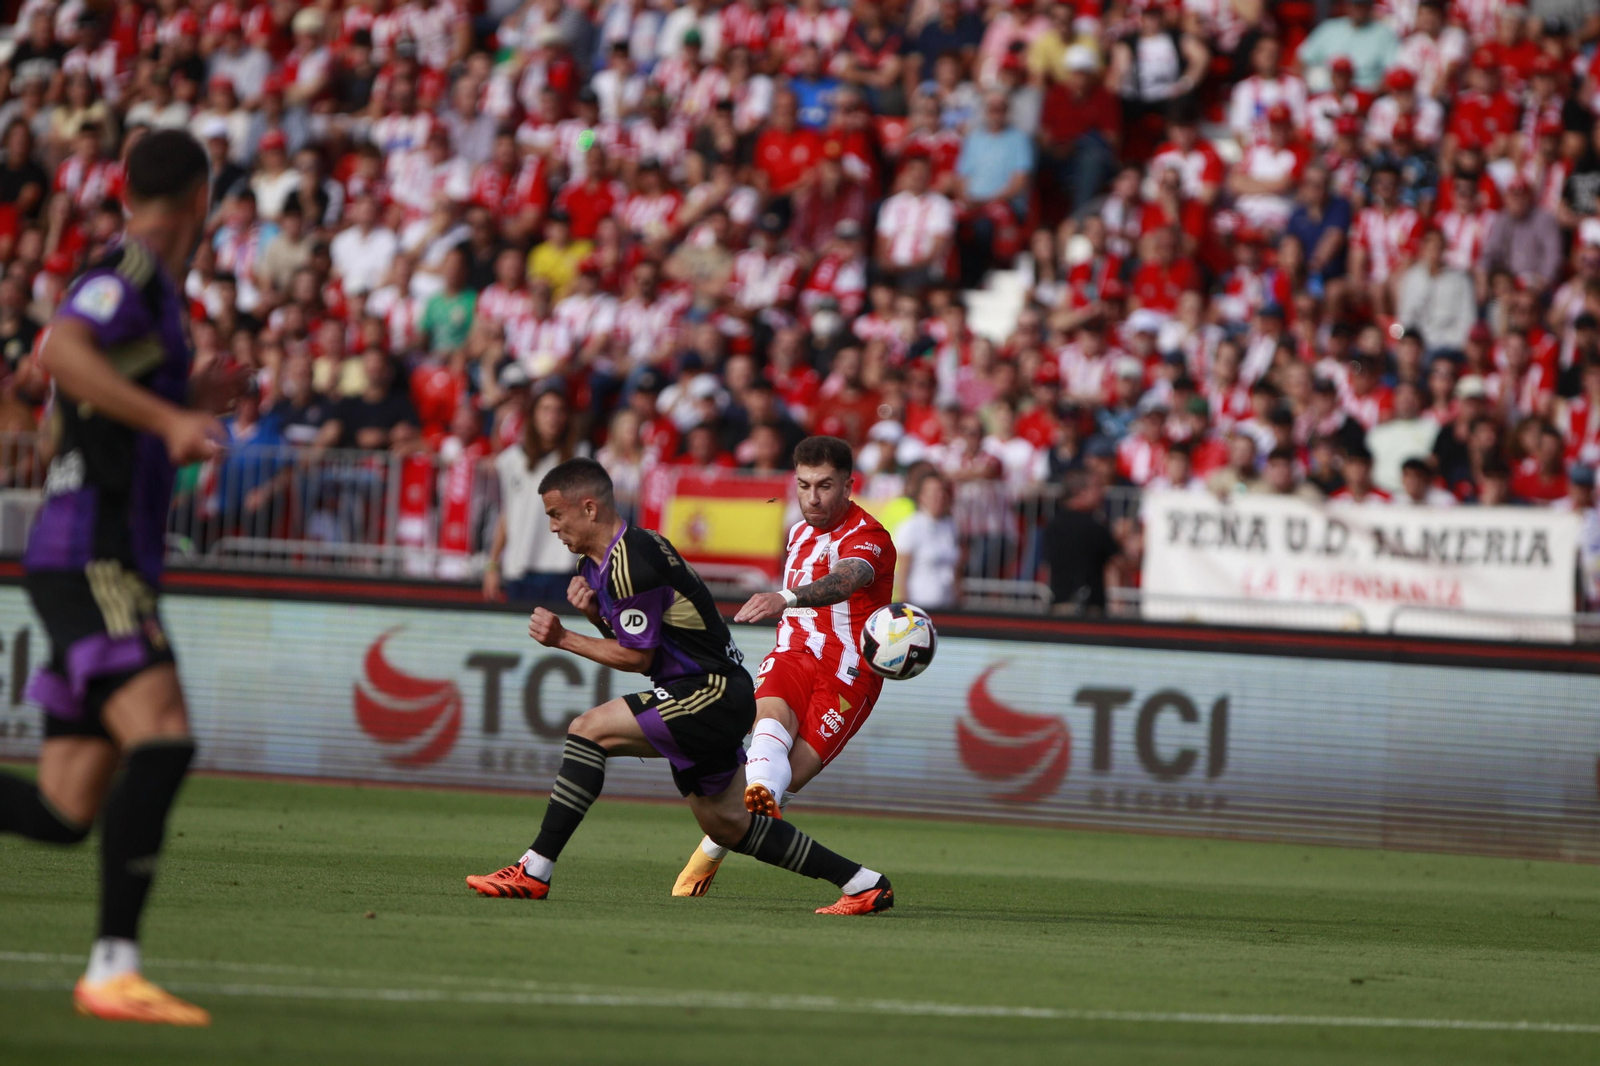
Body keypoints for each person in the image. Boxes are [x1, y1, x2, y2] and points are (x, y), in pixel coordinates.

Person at [0, 129, 228, 1026]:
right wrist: (170, 420)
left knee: (63, 809)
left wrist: (192, 400)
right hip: (92, 551)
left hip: (102, 553)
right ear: (199, 199)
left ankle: (113, 968)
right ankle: (112, 968)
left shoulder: (158, 298)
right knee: (164, 739)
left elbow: (76, 410)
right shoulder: (128, 274)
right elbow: (58, 352)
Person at [465, 458, 893, 915]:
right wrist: (594, 616)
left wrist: (564, 638)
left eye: (556, 514)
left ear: (589, 509)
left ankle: (534, 870)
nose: (551, 526)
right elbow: (638, 639)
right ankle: (862, 883)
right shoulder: (604, 563)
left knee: (588, 730)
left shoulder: (632, 560)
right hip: (705, 693)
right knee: (730, 825)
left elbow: (637, 658)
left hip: (707, 691)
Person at [671, 435, 898, 897]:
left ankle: (712, 850)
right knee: (767, 728)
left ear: (849, 486)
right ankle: (751, 813)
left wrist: (786, 597)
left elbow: (844, 581)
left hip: (848, 676)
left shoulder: (869, 537)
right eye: (804, 485)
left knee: (781, 782)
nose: (813, 498)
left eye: (825, 486)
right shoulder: (795, 532)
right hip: (793, 654)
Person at [485, 384, 588, 603]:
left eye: (559, 410)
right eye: (546, 409)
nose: (553, 417)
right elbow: (507, 515)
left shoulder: (581, 459)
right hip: (519, 568)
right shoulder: (510, 460)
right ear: (532, 416)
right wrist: (492, 565)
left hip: (563, 568)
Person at [1042, 470, 1121, 613]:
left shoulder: (1053, 525)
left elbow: (1045, 567)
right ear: (1080, 492)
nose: (1102, 494)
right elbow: (1115, 564)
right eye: (1097, 488)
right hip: (1089, 610)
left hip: (1058, 607)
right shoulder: (1095, 527)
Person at [893, 471, 961, 609]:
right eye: (933, 492)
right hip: (920, 606)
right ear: (921, 496)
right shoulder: (910, 526)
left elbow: (955, 570)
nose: (939, 496)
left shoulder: (950, 526)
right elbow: (903, 574)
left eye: (942, 491)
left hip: (948, 606)